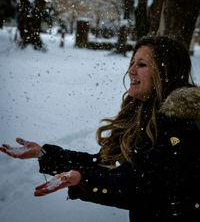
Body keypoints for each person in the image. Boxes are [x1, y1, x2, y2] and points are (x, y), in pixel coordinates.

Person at [1, 35, 200, 222]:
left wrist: (83, 179)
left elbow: (138, 186)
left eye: (142, 65)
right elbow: (108, 164)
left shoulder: (180, 124)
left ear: (165, 72)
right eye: (132, 62)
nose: (131, 70)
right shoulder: (148, 114)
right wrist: (44, 154)